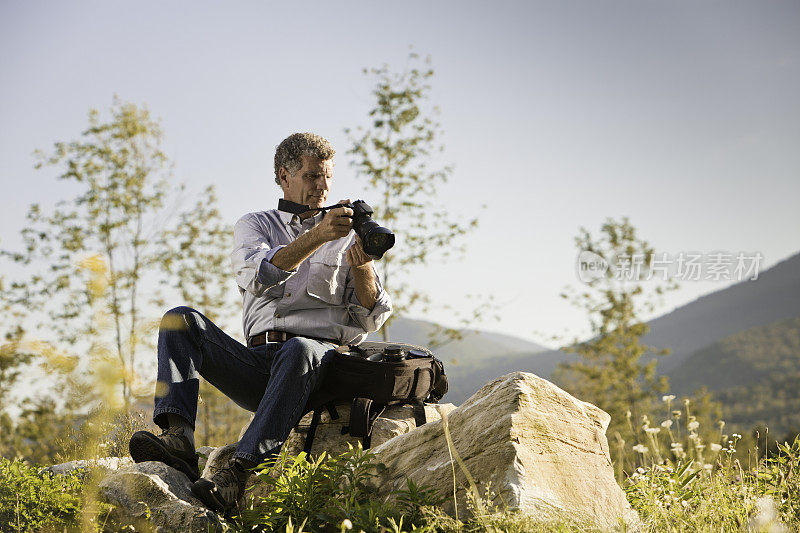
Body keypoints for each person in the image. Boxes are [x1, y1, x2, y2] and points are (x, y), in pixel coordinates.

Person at [128, 132, 392, 513]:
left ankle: (240, 471)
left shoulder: (346, 235)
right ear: (284, 176)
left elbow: (371, 315)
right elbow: (258, 278)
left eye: (327, 176)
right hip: (259, 366)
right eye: (312, 176)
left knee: (300, 348)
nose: (322, 186)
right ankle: (178, 438)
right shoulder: (254, 225)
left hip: (320, 369)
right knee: (179, 320)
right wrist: (318, 235)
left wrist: (363, 264)